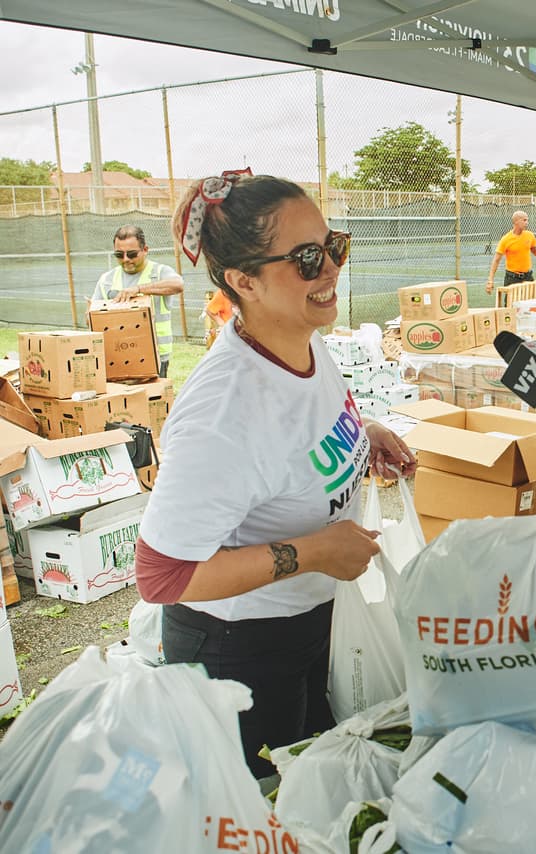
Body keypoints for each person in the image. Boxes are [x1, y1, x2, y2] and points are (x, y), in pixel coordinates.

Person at [133, 171, 418, 779]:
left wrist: (362, 435)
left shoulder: (304, 340)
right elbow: (162, 577)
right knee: (256, 808)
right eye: (307, 258)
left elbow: (299, 430)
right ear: (242, 282)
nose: (331, 269)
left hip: (310, 619)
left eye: (334, 245)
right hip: (238, 651)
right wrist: (313, 551)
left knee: (310, 785)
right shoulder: (222, 414)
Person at [89, 225, 185, 377]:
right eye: (119, 255)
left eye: (132, 254)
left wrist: (138, 289)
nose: (126, 259)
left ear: (145, 250)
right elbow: (89, 318)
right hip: (116, 355)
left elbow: (178, 284)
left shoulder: (159, 272)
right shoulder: (106, 280)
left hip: (156, 355)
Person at [485, 210, 536, 294]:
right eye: (524, 220)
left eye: (527, 220)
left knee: (530, 304)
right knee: (511, 304)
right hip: (512, 278)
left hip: (528, 277)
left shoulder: (530, 235)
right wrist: (490, 280)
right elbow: (496, 260)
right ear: (516, 221)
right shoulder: (506, 239)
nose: (527, 223)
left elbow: (535, 251)